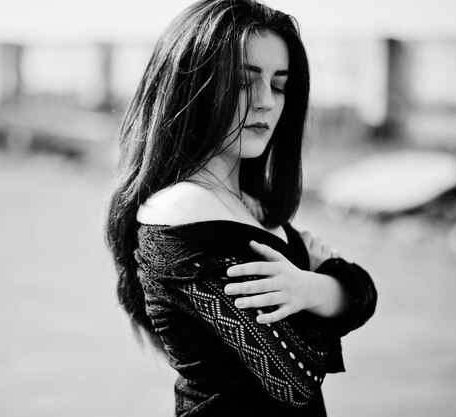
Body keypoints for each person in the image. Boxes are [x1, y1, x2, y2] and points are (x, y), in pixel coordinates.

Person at [105, 0, 377, 415]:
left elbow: (366, 295)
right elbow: (296, 373)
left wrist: (311, 288)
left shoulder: (252, 207)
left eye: (279, 85)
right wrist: (330, 284)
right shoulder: (182, 212)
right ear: (189, 84)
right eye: (243, 81)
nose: (266, 101)